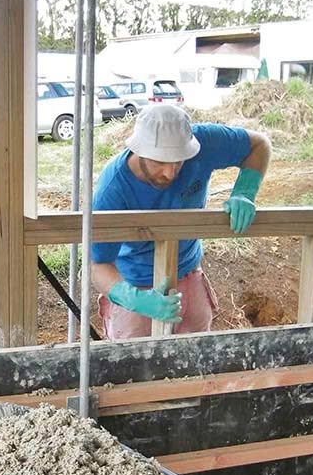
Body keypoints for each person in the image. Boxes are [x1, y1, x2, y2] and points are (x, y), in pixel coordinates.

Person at [91, 103, 271, 340]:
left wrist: (244, 191)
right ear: (139, 150)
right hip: (137, 284)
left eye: (178, 162)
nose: (170, 173)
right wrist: (134, 299)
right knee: (135, 366)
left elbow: (259, 145)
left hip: (189, 272)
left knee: (195, 355)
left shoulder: (202, 143)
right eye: (159, 162)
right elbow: (99, 267)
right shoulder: (113, 190)